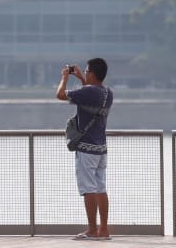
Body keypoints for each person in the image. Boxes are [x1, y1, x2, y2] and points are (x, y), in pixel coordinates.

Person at [56, 58, 113, 241]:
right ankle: (103, 230)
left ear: (93, 73)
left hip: (86, 149)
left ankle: (92, 230)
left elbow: (60, 95)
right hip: (101, 148)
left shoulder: (88, 91)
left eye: (87, 71)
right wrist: (82, 78)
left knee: (88, 189)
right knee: (101, 188)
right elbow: (89, 94)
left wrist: (65, 77)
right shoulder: (107, 92)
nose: (85, 73)